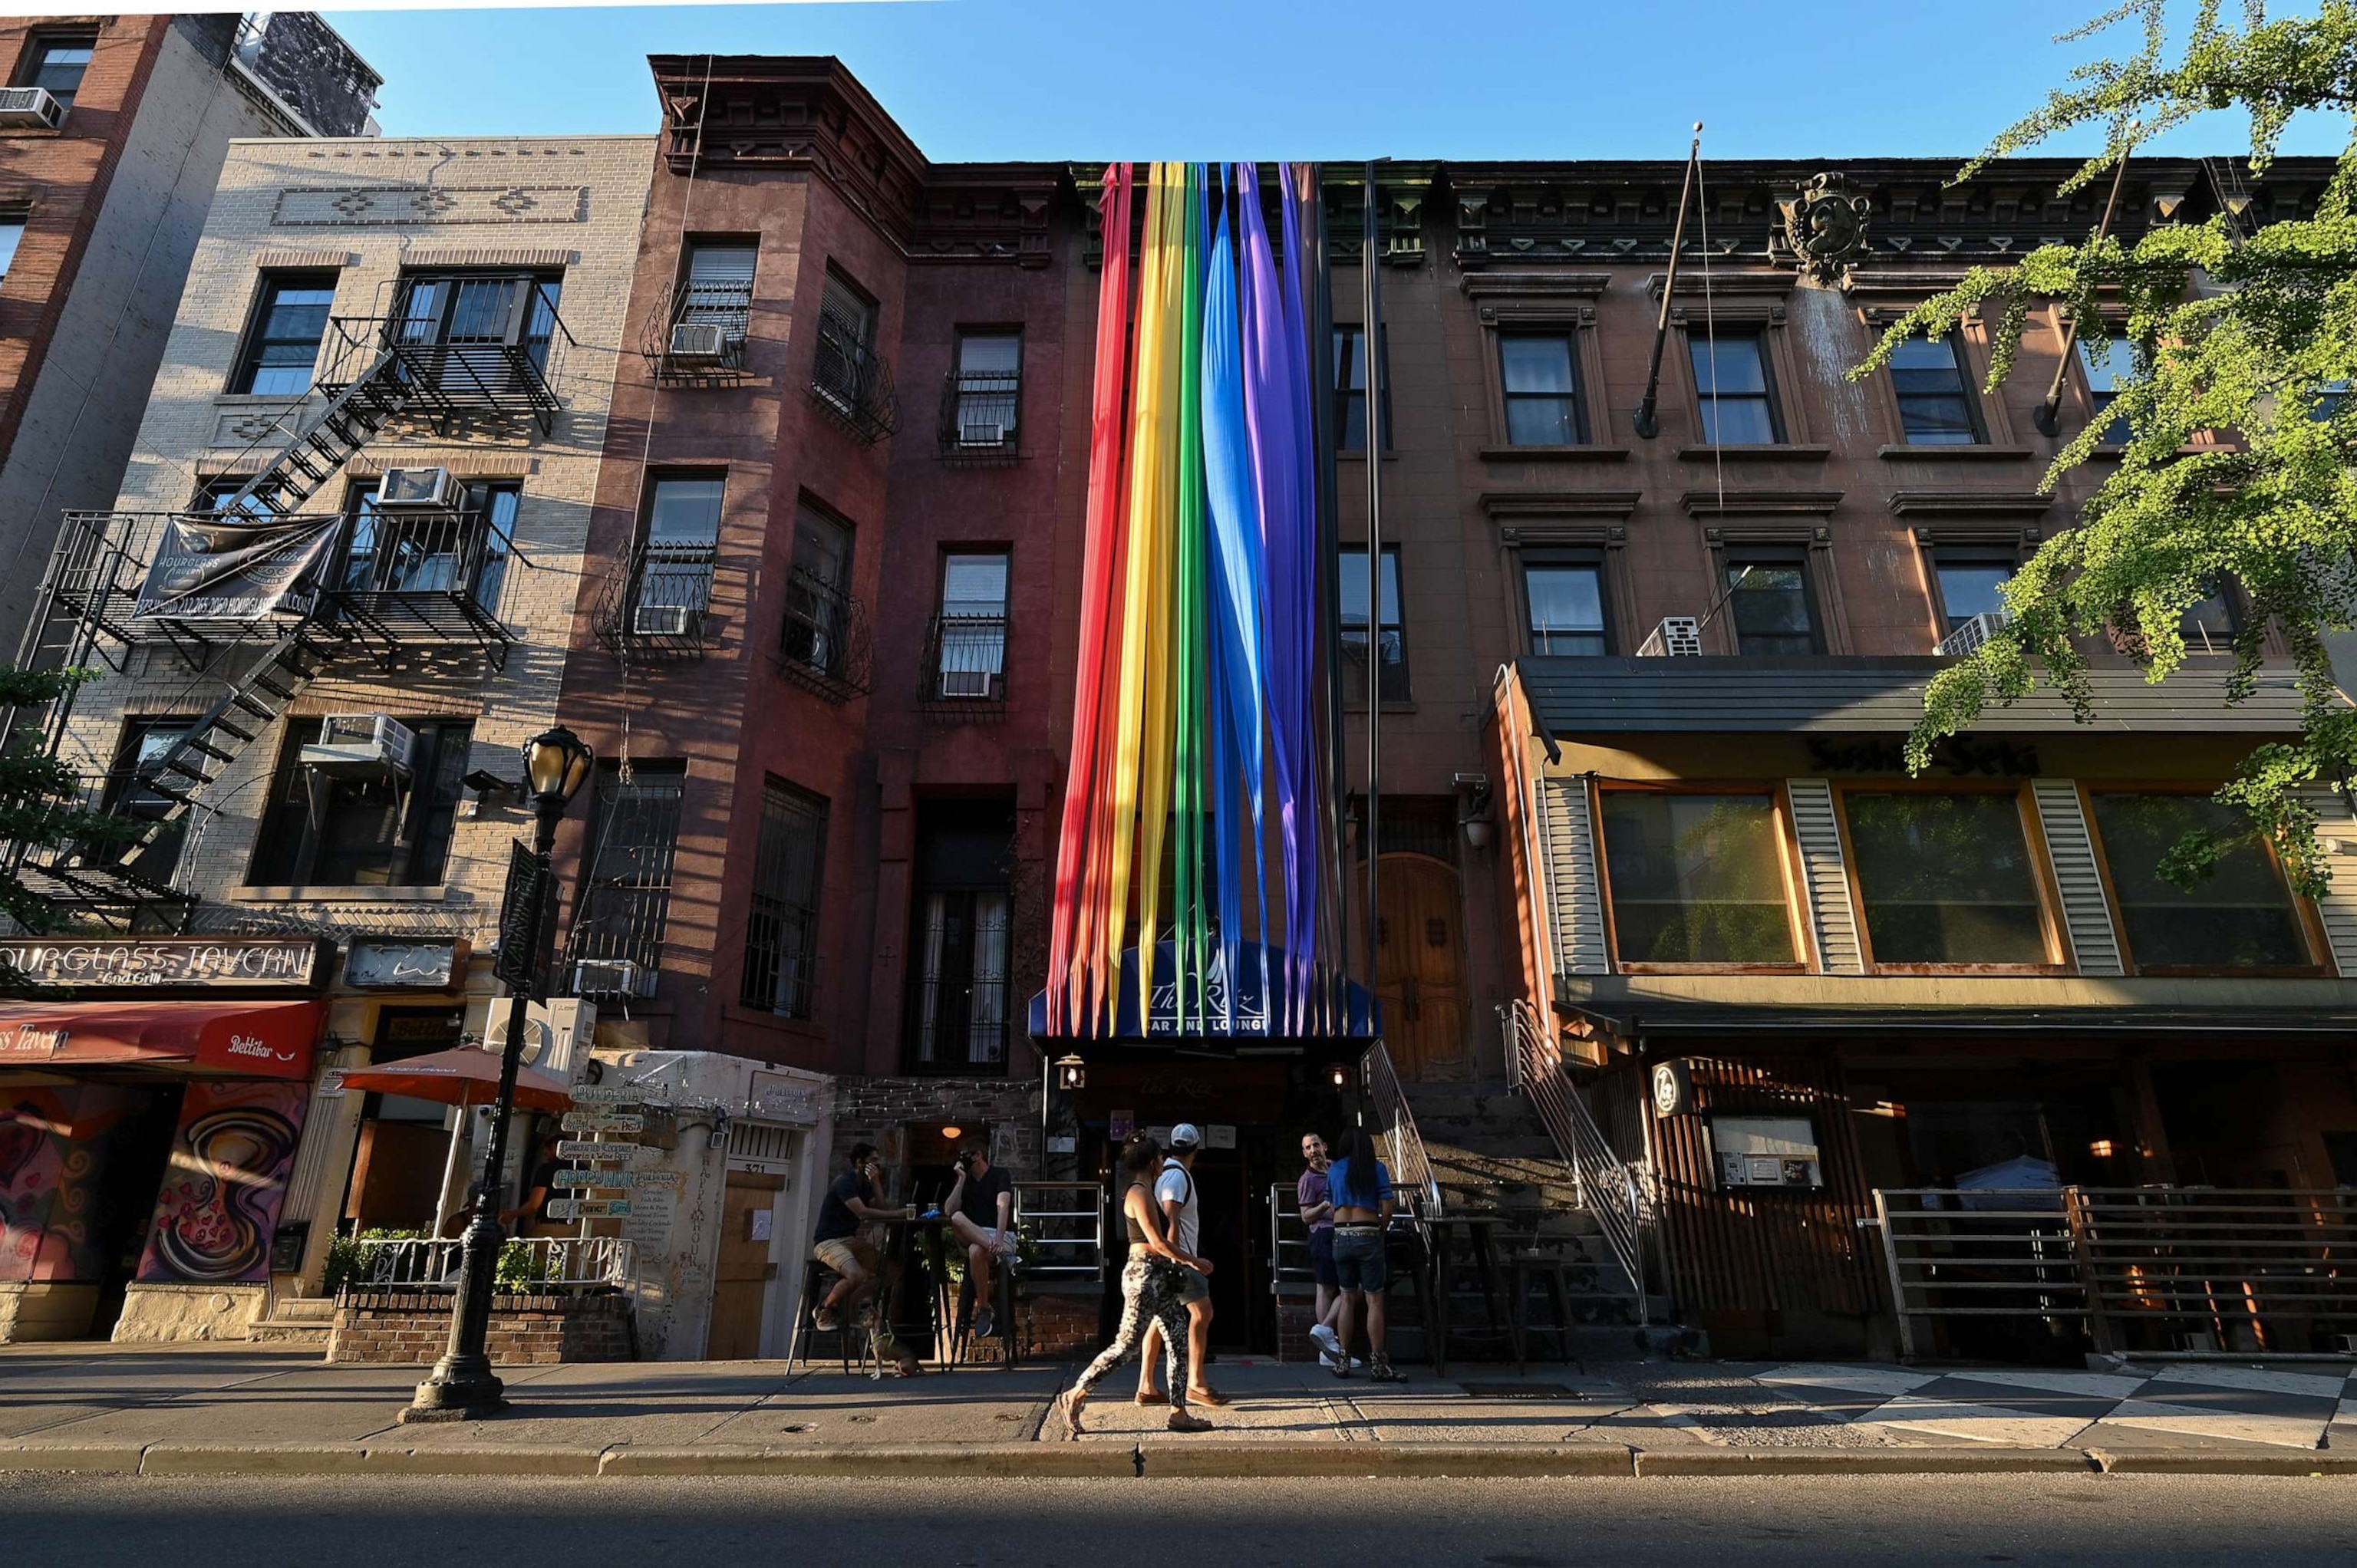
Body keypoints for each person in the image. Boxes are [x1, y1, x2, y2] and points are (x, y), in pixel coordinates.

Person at [1058, 1133, 1213, 1436]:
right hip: (1144, 1276)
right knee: (1126, 1345)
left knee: (1178, 1341)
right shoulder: (1139, 1193)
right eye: (1159, 1159)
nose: (1162, 1165)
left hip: (1160, 1277)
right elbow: (1156, 1242)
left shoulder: (1146, 1190)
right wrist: (1193, 1260)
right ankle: (1076, 1393)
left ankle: (1179, 1412)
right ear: (1153, 1162)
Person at [809, 1142, 921, 1375]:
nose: (878, 1164)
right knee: (857, 1274)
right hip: (828, 1241)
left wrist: (877, 1182)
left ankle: (850, 1300)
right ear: (860, 1163)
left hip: (850, 1241)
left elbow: (880, 1208)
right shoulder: (845, 1182)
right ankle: (824, 1309)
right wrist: (898, 1213)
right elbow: (863, 1213)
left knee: (892, 1270)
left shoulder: (866, 1184)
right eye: (873, 1160)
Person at [1138, 1122, 1225, 1407]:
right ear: (1196, 1149)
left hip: (1172, 1257)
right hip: (1180, 1259)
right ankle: (1196, 1384)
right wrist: (1180, 1260)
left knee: (1158, 1320)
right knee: (1203, 1312)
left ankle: (1146, 1386)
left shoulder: (1167, 1173)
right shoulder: (1176, 1177)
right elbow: (1171, 1220)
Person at [1327, 1125, 1405, 1383]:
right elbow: (1388, 1207)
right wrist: (1380, 1228)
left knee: (1347, 1298)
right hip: (1368, 1233)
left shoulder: (1335, 1169)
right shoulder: (1377, 1169)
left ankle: (1343, 1361)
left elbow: (1330, 1206)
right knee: (1374, 1301)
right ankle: (1379, 1364)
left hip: (1340, 1235)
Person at [1297, 1131, 1360, 1372]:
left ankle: (1324, 1334)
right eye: (1307, 1148)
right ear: (1304, 1153)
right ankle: (1327, 1347)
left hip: (1345, 1229)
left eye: (1315, 1146)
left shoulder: (1337, 1169)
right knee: (1326, 1287)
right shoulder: (1307, 1180)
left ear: (1325, 1146)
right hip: (1323, 1234)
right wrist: (1324, 1204)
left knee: (1351, 1285)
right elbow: (1305, 1216)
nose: (1313, 1151)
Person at [943, 1139, 1017, 1339]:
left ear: (978, 1155)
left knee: (976, 1250)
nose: (962, 1160)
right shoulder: (964, 1181)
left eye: (965, 1155)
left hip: (997, 1236)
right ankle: (1002, 1254)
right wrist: (960, 1179)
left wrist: (999, 1239)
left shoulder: (1000, 1174)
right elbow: (949, 1211)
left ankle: (984, 1308)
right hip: (974, 1233)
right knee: (957, 1217)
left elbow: (1003, 1206)